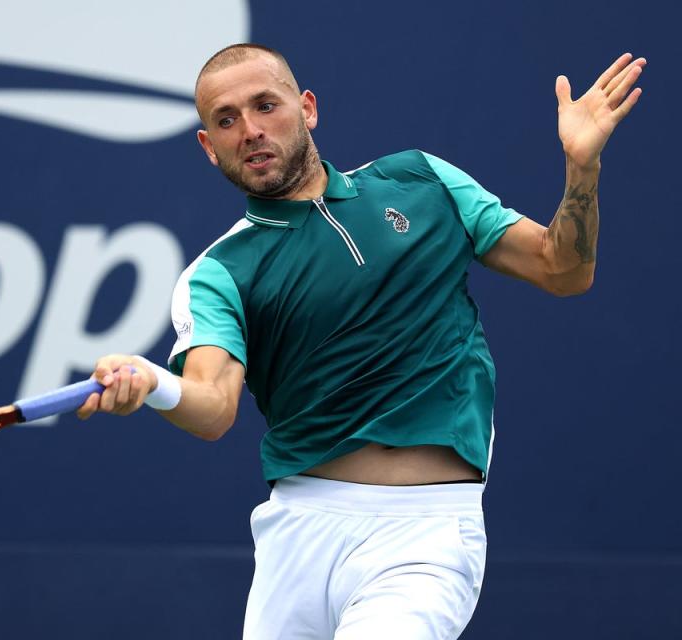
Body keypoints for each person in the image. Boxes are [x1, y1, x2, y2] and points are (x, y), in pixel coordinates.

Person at [76, 44, 645, 639]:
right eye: (226, 120)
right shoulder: (218, 272)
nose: (249, 130)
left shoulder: (422, 180)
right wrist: (151, 383)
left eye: (265, 106)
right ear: (207, 146)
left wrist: (583, 166)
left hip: (424, 535)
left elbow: (563, 269)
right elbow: (213, 407)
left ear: (307, 108)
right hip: (296, 538)